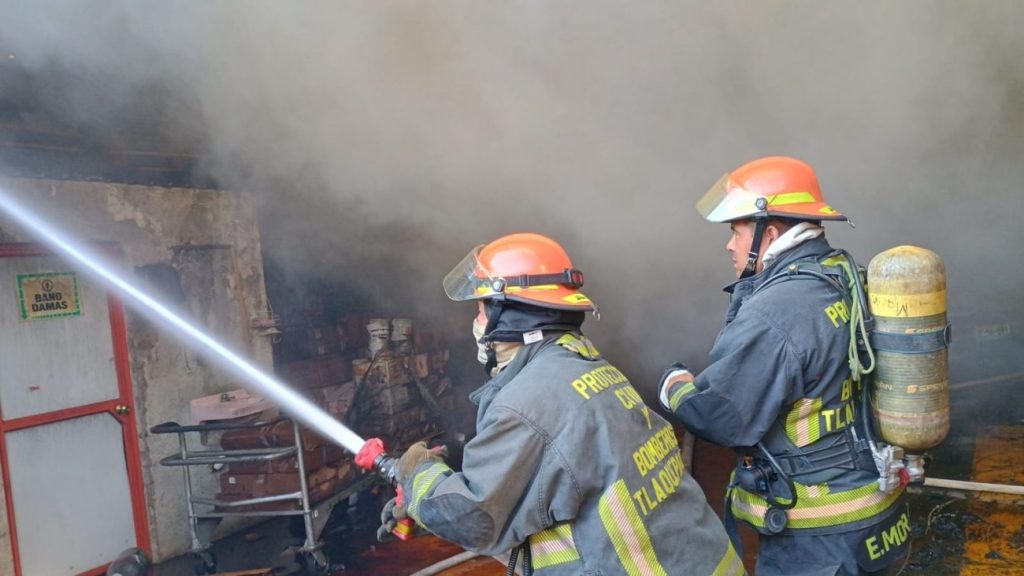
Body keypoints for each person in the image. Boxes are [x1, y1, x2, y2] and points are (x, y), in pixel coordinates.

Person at [383, 232, 743, 575]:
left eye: (479, 310)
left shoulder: (527, 403)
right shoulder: (587, 368)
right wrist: (427, 505)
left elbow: (473, 518)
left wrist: (418, 473)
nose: (474, 323)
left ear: (507, 315)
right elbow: (545, 491)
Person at [658, 156, 910, 575]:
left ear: (768, 232)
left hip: (820, 544)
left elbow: (720, 417)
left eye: (735, 231)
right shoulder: (843, 275)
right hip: (876, 520)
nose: (729, 245)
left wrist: (674, 384)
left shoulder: (778, 312)